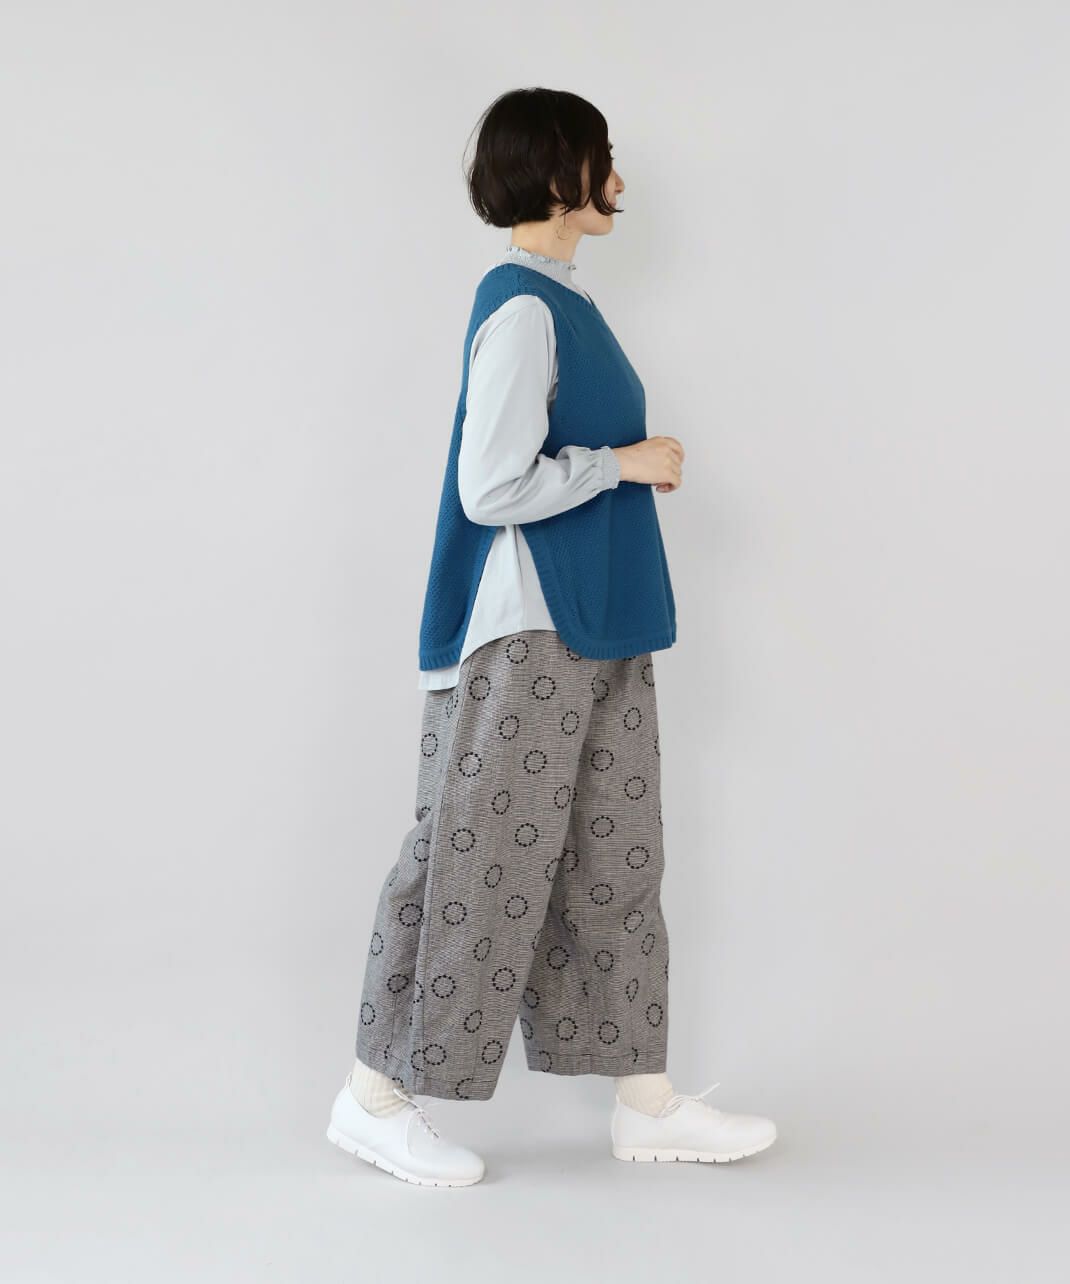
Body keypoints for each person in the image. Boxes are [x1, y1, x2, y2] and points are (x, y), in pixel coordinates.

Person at [325, 87, 777, 1186]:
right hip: (526, 629)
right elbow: (488, 486)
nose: (617, 180)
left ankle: (645, 1103)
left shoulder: (563, 299)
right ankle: (373, 1098)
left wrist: (622, 471)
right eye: (600, 160)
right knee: (475, 855)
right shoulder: (522, 307)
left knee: (616, 858)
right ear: (558, 173)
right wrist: (623, 465)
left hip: (599, 621)